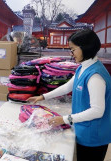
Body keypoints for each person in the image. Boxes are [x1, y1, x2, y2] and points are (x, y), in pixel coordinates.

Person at [27, 29, 111, 161]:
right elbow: (68, 86)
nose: (71, 53)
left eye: (73, 49)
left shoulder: (95, 76)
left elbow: (97, 111)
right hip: (84, 129)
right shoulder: (83, 67)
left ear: (85, 48)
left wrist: (65, 119)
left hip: (93, 135)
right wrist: (43, 97)